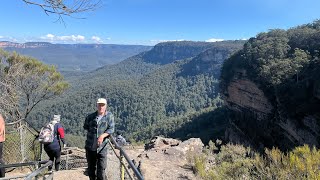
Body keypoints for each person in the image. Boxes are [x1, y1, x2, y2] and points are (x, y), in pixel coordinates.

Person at [84, 98, 115, 180]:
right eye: (99, 105)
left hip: (102, 147)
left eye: (103, 105)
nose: (101, 107)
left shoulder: (109, 116)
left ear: (106, 106)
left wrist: (102, 136)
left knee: (101, 169)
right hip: (90, 147)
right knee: (91, 169)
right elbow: (86, 127)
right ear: (96, 105)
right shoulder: (90, 117)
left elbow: (111, 129)